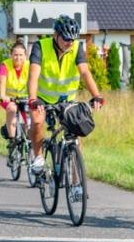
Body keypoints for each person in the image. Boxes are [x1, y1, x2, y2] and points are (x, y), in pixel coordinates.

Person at [26, 15, 105, 179]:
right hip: (42, 98)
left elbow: (84, 72)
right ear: (56, 35)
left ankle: (76, 183)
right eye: (66, 38)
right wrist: (33, 99)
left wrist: (96, 95)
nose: (70, 42)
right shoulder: (40, 47)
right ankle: (38, 157)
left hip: (67, 100)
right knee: (37, 122)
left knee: (74, 133)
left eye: (73, 39)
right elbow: (33, 75)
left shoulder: (76, 48)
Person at [0, 40, 31, 145]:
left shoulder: (30, 66)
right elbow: (2, 83)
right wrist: (3, 95)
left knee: (30, 119)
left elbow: (35, 82)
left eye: (21, 55)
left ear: (25, 56)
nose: (18, 58)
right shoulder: (5, 66)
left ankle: (29, 143)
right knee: (12, 109)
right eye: (15, 55)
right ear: (11, 55)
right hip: (9, 99)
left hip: (25, 99)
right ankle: (12, 141)